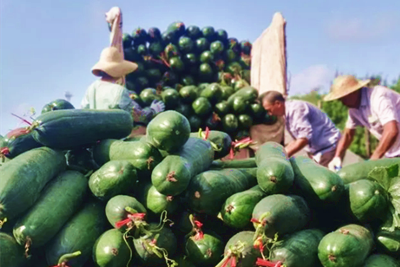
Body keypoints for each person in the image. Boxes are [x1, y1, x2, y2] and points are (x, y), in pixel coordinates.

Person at [324, 75, 400, 171]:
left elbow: (391, 131)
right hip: (393, 153)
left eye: (343, 98)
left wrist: (373, 160)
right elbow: (348, 135)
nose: (341, 102)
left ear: (353, 92)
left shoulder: (378, 97)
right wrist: (337, 156)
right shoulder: (353, 109)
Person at [81, 46, 165, 125]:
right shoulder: (118, 91)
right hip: (114, 138)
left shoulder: (91, 88)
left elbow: (84, 113)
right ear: (118, 70)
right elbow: (137, 116)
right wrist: (153, 110)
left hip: (95, 137)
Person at [260, 90, 341, 167]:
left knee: (324, 179)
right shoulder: (287, 114)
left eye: (269, 110)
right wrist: (279, 153)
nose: (269, 114)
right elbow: (297, 139)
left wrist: (282, 155)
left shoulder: (296, 109)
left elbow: (304, 138)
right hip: (319, 151)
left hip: (329, 148)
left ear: (277, 103)